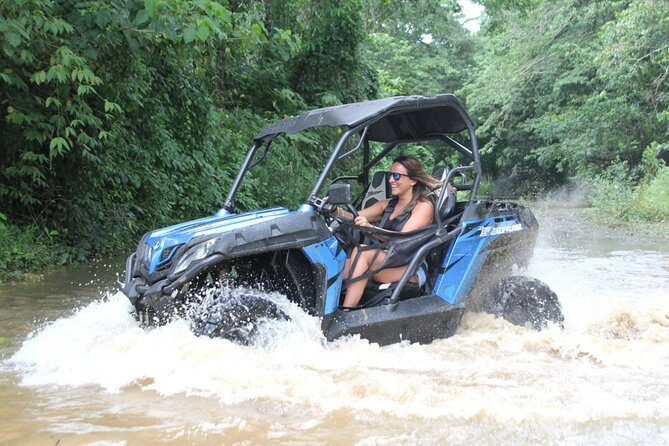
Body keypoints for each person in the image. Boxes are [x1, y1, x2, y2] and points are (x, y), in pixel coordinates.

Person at [334, 155, 442, 309]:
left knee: (363, 253)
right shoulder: (387, 205)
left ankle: (346, 313)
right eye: (391, 175)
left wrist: (371, 229)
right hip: (384, 261)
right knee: (338, 263)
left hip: (408, 267)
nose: (391, 180)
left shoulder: (423, 206)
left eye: (397, 175)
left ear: (413, 180)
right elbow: (353, 217)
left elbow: (402, 239)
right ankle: (323, 310)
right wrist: (335, 210)